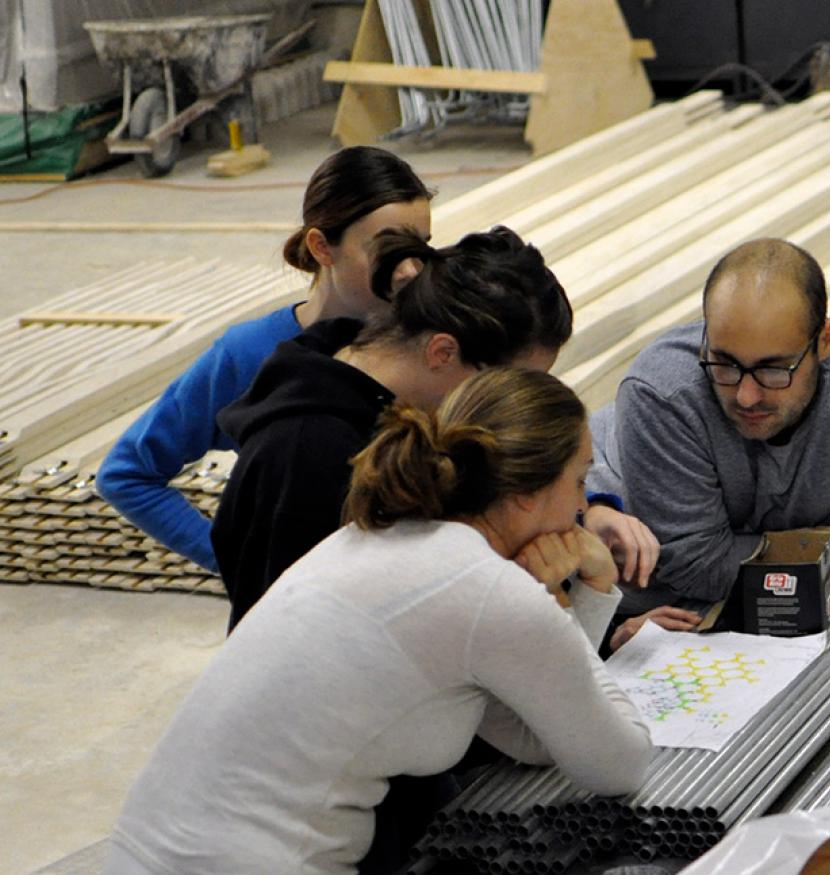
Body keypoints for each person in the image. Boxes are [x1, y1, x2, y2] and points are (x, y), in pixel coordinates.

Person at [105, 368, 654, 875]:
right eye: (578, 482)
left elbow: (537, 736)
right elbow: (620, 764)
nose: (582, 508)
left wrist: (578, 602)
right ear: (527, 494)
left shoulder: (387, 537)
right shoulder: (485, 589)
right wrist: (572, 594)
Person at [210, 226, 658, 632]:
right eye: (506, 385)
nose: (513, 410)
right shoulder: (306, 453)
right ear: (443, 352)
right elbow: (290, 637)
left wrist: (578, 506)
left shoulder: (405, 399)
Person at [95, 146, 433, 572]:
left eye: (418, 247)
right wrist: (239, 558)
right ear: (322, 247)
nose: (409, 271)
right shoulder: (249, 355)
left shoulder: (432, 346)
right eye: (386, 249)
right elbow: (127, 474)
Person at [589, 237, 830, 618]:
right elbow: (694, 567)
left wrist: (777, 557)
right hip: (638, 607)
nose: (746, 396)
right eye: (725, 363)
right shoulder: (662, 393)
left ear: (826, 340)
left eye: (773, 369)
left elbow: (822, 555)